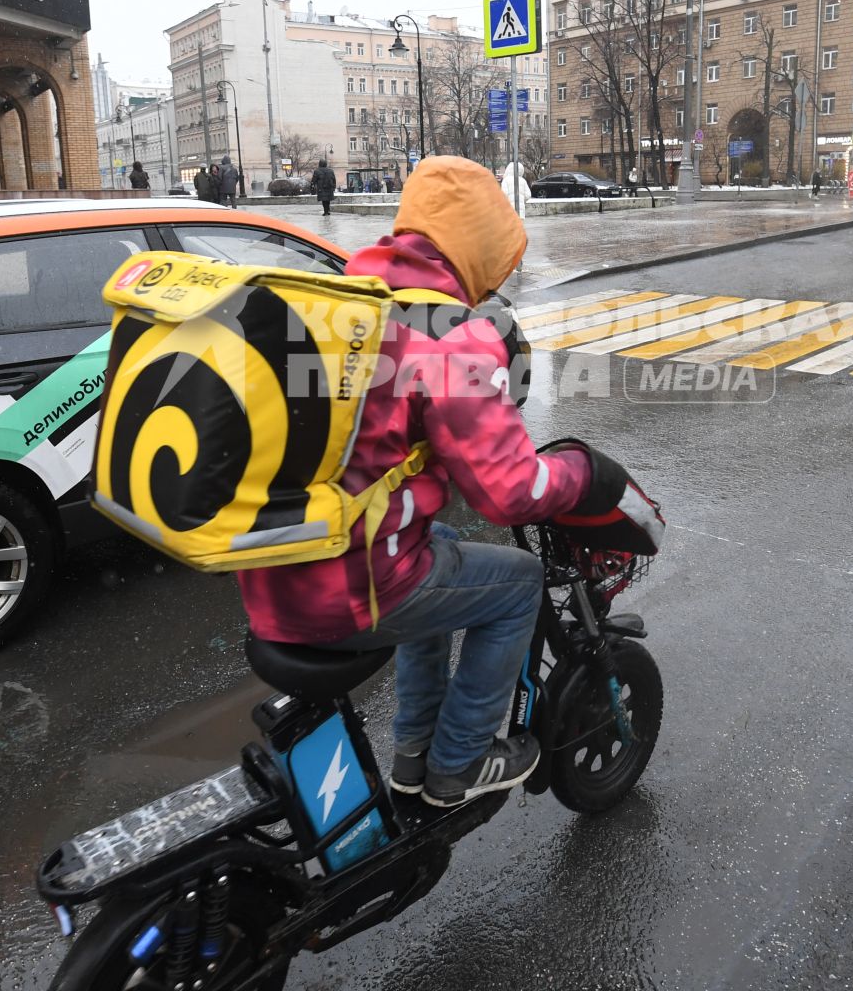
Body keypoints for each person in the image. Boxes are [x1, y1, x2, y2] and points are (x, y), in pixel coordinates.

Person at [237, 156, 595, 807]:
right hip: (346, 591)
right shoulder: (449, 332)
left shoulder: (347, 297)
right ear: (479, 246)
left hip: (272, 568)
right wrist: (580, 475)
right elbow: (507, 492)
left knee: (436, 561)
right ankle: (459, 761)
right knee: (517, 584)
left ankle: (411, 759)